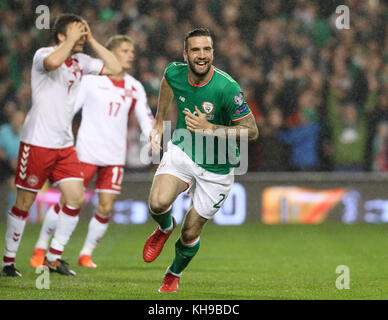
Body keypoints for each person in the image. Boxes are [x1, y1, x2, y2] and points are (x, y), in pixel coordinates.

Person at [1, 14, 122, 277]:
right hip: (37, 143)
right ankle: (8, 262)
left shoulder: (81, 61)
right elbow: (55, 60)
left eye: (83, 31)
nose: (81, 36)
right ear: (60, 36)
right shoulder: (43, 54)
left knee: (76, 198)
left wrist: (91, 39)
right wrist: (71, 40)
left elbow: (114, 68)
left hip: (64, 145)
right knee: (25, 201)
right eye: (76, 31)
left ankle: (54, 257)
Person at [143, 28, 258, 292]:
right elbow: (166, 81)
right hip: (184, 150)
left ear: (213, 53)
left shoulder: (227, 88)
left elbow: (252, 131)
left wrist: (211, 129)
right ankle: (163, 227)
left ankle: (173, 273)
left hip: (217, 168)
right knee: (157, 203)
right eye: (195, 50)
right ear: (186, 54)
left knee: (189, 233)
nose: (202, 55)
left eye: (207, 49)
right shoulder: (175, 72)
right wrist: (159, 121)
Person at [29, 35, 154, 269]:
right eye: (125, 50)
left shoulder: (134, 86)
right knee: (69, 201)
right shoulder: (89, 82)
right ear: (111, 53)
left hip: (115, 157)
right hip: (85, 152)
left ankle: (85, 253)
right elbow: (68, 109)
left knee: (106, 206)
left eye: (132, 50)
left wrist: (152, 136)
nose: (131, 54)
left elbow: (145, 117)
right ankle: (41, 246)